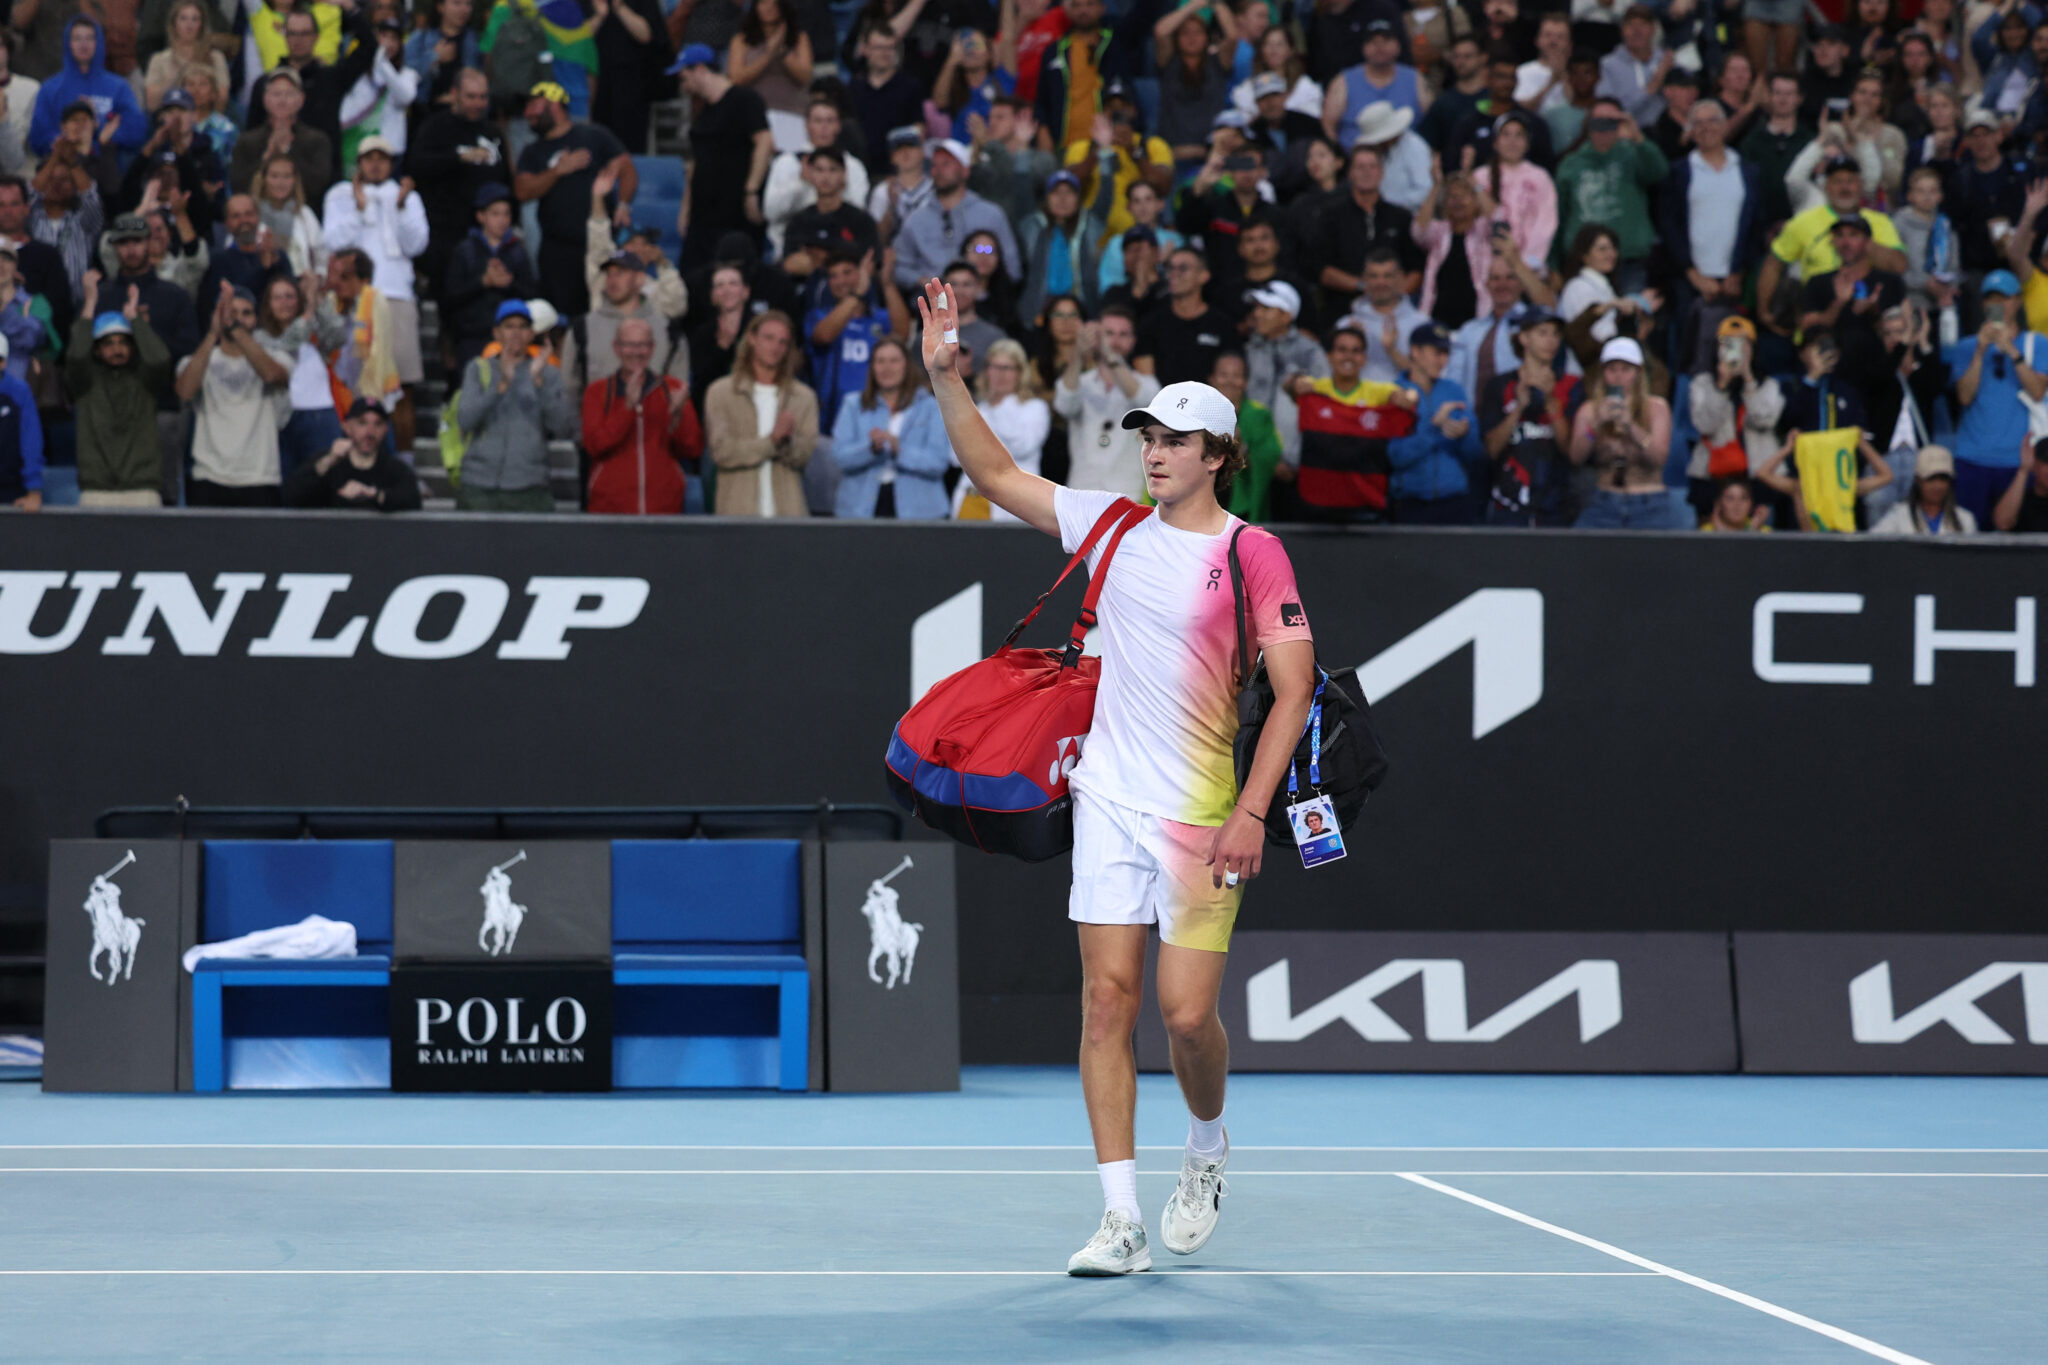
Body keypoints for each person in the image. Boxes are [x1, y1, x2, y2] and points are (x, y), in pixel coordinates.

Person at [915, 273, 1316, 1279]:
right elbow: (997, 474)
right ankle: (1118, 1218)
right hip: (1105, 797)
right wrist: (944, 378)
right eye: (1147, 437)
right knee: (1106, 1003)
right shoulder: (1106, 526)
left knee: (1186, 1017)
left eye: (1174, 441)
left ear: (1216, 456)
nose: (1153, 452)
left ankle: (1208, 1145)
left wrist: (1251, 814)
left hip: (1201, 817)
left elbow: (1294, 692)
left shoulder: (1250, 551)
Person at [320, 134, 425, 443]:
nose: (376, 165)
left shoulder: (406, 195)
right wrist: (358, 207)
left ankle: (403, 460)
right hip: (353, 297)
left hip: (396, 296)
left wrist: (403, 207)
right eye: (369, 159)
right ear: (359, 163)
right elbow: (334, 243)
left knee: (402, 385)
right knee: (353, 381)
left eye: (382, 159)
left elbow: (417, 244)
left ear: (391, 164)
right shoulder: (339, 194)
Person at [516, 80, 634, 314]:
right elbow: (522, 191)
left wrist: (623, 204)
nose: (527, 113)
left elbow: (626, 168)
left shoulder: (594, 135)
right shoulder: (533, 151)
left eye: (533, 105)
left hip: (598, 244)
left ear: (554, 105)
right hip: (557, 249)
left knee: (602, 311)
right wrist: (558, 171)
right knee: (559, 316)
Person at [175, 281, 292, 505]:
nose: (237, 318)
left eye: (245, 313)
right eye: (231, 312)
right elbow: (184, 391)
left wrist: (233, 328)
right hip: (209, 477)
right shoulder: (196, 361)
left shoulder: (277, 358)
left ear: (256, 320)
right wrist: (212, 333)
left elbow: (271, 375)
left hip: (259, 477)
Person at [454, 298, 578, 511]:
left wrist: (539, 381)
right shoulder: (478, 369)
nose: (516, 333)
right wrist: (500, 386)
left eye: (523, 327)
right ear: (497, 333)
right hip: (478, 486)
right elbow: (465, 420)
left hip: (529, 488)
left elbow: (562, 428)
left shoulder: (548, 374)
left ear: (531, 333)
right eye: (509, 326)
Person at [1944, 269, 2044, 523]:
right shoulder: (1967, 347)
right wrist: (1980, 350)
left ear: (2018, 301)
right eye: (1991, 299)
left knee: (2013, 542)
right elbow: (1964, 397)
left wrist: (2012, 351)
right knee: (1969, 539)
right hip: (1972, 457)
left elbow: (2037, 391)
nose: (1997, 304)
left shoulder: (2037, 343)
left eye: (2004, 298)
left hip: (2016, 459)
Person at [581, 316, 703, 515]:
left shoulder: (672, 389)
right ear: (616, 348)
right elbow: (595, 446)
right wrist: (627, 408)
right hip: (610, 509)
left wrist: (677, 416)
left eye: (642, 345)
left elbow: (693, 448)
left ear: (652, 348)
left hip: (664, 508)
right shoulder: (597, 392)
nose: (636, 352)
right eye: (629, 345)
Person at [1293, 319, 1413, 521]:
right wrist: (1294, 383)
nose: (1349, 356)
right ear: (1329, 356)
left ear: (1364, 358)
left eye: (1356, 351)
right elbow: (1291, 387)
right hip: (1319, 503)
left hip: (1365, 504)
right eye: (1342, 350)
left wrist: (1409, 398)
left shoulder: (1379, 392)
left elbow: (1410, 396)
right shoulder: (1315, 390)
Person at [703, 308, 817, 516]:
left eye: (783, 342)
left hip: (788, 512)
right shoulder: (721, 393)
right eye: (769, 338)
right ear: (752, 339)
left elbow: (804, 456)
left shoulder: (803, 397)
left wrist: (787, 441)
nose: (776, 347)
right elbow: (723, 452)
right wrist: (772, 442)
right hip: (738, 512)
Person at [409, 68, 507, 301]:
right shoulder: (435, 127)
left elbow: (504, 180)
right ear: (455, 94)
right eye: (471, 96)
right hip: (442, 234)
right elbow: (416, 166)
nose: (478, 103)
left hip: (483, 235)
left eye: (483, 97)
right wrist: (458, 158)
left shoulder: (492, 132)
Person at [1568, 336, 1685, 529]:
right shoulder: (1589, 411)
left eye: (1626, 370)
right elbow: (1576, 458)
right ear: (1603, 373)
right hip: (1604, 501)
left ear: (1638, 373)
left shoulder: (1656, 408)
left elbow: (1659, 458)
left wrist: (1631, 426)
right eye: (1612, 370)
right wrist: (1596, 425)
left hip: (1649, 503)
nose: (1618, 376)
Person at [68, 287, 170, 506]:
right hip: (96, 489)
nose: (117, 349)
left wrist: (135, 319)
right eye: (108, 343)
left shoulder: (145, 380)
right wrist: (90, 303)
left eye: (123, 342)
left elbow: (160, 360)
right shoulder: (85, 383)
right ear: (96, 349)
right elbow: (76, 357)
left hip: (142, 488)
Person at [1551, 98, 1665, 293]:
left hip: (1629, 259)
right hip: (1583, 263)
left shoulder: (1634, 154)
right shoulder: (1571, 163)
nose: (1604, 128)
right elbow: (1558, 216)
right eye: (1598, 121)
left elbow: (1659, 172)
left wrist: (1638, 138)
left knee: (1631, 318)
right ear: (1588, 124)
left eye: (1611, 121)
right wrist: (1553, 264)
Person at [828, 334, 949, 518]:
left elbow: (938, 462)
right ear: (872, 367)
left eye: (894, 361)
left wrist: (899, 449)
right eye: (880, 361)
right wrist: (870, 449)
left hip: (919, 512)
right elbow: (840, 457)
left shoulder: (930, 406)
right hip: (860, 509)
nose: (887, 368)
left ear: (906, 365)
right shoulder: (853, 405)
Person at [1480, 306, 1579, 526]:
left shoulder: (1571, 386)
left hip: (1555, 505)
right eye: (1542, 333)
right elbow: (1491, 449)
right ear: (1523, 338)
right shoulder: (1499, 386)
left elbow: (1573, 452)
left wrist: (1552, 403)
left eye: (1555, 334)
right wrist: (1518, 408)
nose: (1551, 340)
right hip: (1508, 505)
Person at [1055, 304, 1159, 498]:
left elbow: (1144, 401)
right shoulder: (1080, 381)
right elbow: (1064, 405)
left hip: (1128, 493)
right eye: (1108, 333)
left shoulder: (1147, 383)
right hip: (1081, 491)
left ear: (1133, 341)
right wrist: (1078, 354)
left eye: (1123, 334)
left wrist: (1109, 354)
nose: (1115, 341)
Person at [1685, 315, 1784, 517]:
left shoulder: (1768, 385)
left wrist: (1748, 381)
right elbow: (1705, 425)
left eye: (1743, 343)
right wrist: (1721, 385)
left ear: (1753, 348)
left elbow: (1765, 420)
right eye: (1728, 343)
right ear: (1717, 348)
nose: (1736, 349)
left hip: (1759, 476)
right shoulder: (1702, 383)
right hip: (1713, 475)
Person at [891, 137, 1019, 290]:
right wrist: (921, 280)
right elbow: (898, 267)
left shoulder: (991, 215)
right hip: (932, 303)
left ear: (965, 170)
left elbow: (1012, 268)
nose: (938, 170)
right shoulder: (916, 218)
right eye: (934, 165)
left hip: (983, 304)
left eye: (946, 164)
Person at [805, 245, 909, 433]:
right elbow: (824, 335)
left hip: (877, 417)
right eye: (833, 276)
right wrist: (857, 293)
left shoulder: (880, 318)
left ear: (863, 274)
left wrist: (886, 283)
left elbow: (902, 335)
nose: (840, 281)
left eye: (847, 273)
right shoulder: (819, 316)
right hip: (830, 420)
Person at [1387, 320, 1482, 523]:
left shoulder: (1453, 390)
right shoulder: (1394, 393)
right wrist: (1434, 429)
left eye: (1446, 353)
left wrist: (1465, 436)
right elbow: (1394, 457)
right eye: (1436, 352)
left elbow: (1475, 454)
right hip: (1411, 502)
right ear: (1415, 351)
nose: (1442, 360)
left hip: (1454, 499)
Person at [443, 183, 537, 369]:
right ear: (481, 216)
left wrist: (509, 283)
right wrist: (483, 282)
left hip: (511, 343)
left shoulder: (517, 251)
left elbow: (533, 293)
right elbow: (450, 296)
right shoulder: (465, 251)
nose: (502, 220)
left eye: (506, 213)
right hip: (472, 340)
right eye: (495, 213)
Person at [764, 99, 873, 258]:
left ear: (838, 126)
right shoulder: (787, 162)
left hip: (839, 252)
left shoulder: (853, 166)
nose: (824, 127)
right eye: (818, 121)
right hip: (787, 249)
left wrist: (836, 186)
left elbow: (858, 211)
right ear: (807, 125)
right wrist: (801, 182)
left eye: (830, 121)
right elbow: (770, 212)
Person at [957, 335, 1048, 518]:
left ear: (1020, 372)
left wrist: (998, 405)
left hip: (1015, 504)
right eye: (994, 367)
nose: (999, 374)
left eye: (1006, 368)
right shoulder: (979, 408)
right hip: (972, 498)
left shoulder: (1035, 408)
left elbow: (1022, 447)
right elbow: (956, 456)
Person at [27, 18, 143, 159]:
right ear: (68, 44)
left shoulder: (118, 87)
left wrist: (97, 126)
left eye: (89, 38)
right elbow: (38, 137)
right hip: (64, 164)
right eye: (77, 38)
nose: (83, 44)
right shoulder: (50, 88)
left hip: (107, 166)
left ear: (99, 43)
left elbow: (136, 132)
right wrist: (67, 138)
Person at [1240, 279, 1325, 466]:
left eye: (1266, 308)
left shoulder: (1309, 352)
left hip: (1294, 460)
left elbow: (1321, 406)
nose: (1257, 314)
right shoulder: (1249, 349)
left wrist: (1292, 458)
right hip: (1250, 457)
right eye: (1257, 307)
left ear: (1286, 316)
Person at [282, 396, 421, 509]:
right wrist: (328, 461)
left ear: (386, 429)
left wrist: (374, 494)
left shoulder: (394, 468)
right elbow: (291, 496)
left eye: (377, 424)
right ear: (347, 427)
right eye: (362, 423)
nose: (370, 432)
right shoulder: (330, 463)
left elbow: (413, 500)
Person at [229, 67, 336, 204]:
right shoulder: (247, 141)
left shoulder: (317, 140)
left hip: (303, 214)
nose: (282, 100)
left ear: (301, 99)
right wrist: (267, 156)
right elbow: (239, 186)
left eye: (289, 94)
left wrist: (288, 151)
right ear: (265, 99)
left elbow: (317, 187)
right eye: (276, 94)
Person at [1018, 166, 1106, 322]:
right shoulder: (1033, 226)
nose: (1062, 199)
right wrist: (1021, 155)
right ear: (1046, 198)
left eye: (1069, 193)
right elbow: (1023, 196)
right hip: (1039, 308)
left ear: (1078, 198)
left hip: (1080, 308)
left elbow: (1105, 199)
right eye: (1056, 192)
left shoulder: (1088, 226)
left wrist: (1105, 156)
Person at [1132, 246, 1228, 386]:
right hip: (1163, 405)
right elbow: (1146, 382)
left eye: (1183, 268)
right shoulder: (1152, 323)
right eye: (1170, 268)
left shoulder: (1222, 324)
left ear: (1203, 276)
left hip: (1208, 405)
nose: (1174, 274)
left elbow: (1231, 375)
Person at [1206, 348, 1280, 522]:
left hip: (1244, 501)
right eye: (1223, 374)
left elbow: (1270, 460)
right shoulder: (1196, 413)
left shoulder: (1259, 415)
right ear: (1211, 379)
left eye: (1237, 375)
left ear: (1245, 382)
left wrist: (1242, 449)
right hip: (1203, 500)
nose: (1230, 381)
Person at [848, 28, 925, 179]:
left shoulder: (910, 86)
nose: (885, 53)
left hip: (894, 174)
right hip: (857, 171)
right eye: (879, 47)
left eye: (890, 47)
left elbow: (918, 130)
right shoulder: (854, 87)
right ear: (865, 49)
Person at [1346, 245, 1428, 383]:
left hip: (1407, 401)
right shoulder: (1347, 325)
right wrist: (1354, 349)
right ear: (1364, 278)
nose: (1381, 282)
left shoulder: (1422, 324)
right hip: (1360, 402)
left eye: (1387, 276)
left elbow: (1427, 379)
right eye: (1374, 276)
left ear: (1401, 277)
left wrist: (1391, 350)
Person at [1870, 444, 1975, 534]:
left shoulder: (1965, 519)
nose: (1937, 486)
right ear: (1918, 480)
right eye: (1931, 479)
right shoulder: (1899, 516)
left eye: (1943, 479)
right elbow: (1874, 543)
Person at [404, 0, 481, 108]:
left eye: (468, 4)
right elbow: (406, 78)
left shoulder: (474, 40)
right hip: (426, 113)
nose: (464, 9)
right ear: (441, 7)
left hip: (463, 113)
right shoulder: (420, 39)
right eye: (457, 3)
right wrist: (433, 56)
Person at [0, 332, 43, 508]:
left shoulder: (19, 391)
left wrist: (34, 489)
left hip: (12, 490)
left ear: (3, 363)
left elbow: (31, 440)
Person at [1992, 438, 2048, 533]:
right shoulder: (2019, 498)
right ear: (2034, 463)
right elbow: (2003, 524)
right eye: (2047, 462)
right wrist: (2023, 470)